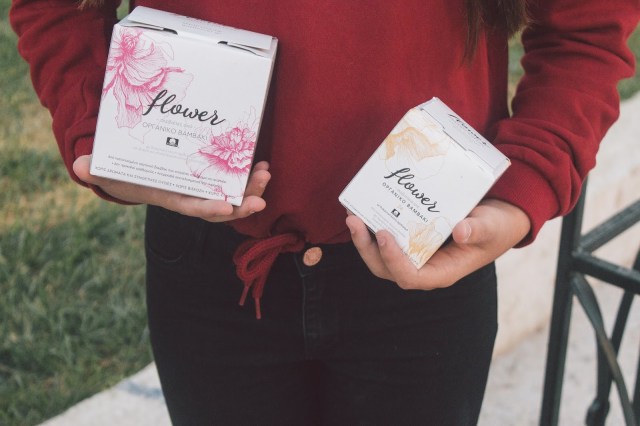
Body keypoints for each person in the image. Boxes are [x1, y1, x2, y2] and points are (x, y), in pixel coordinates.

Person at [10, 0, 639, 424]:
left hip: (427, 254)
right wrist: (98, 131)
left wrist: (521, 191)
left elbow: (586, 30)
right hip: (211, 268)